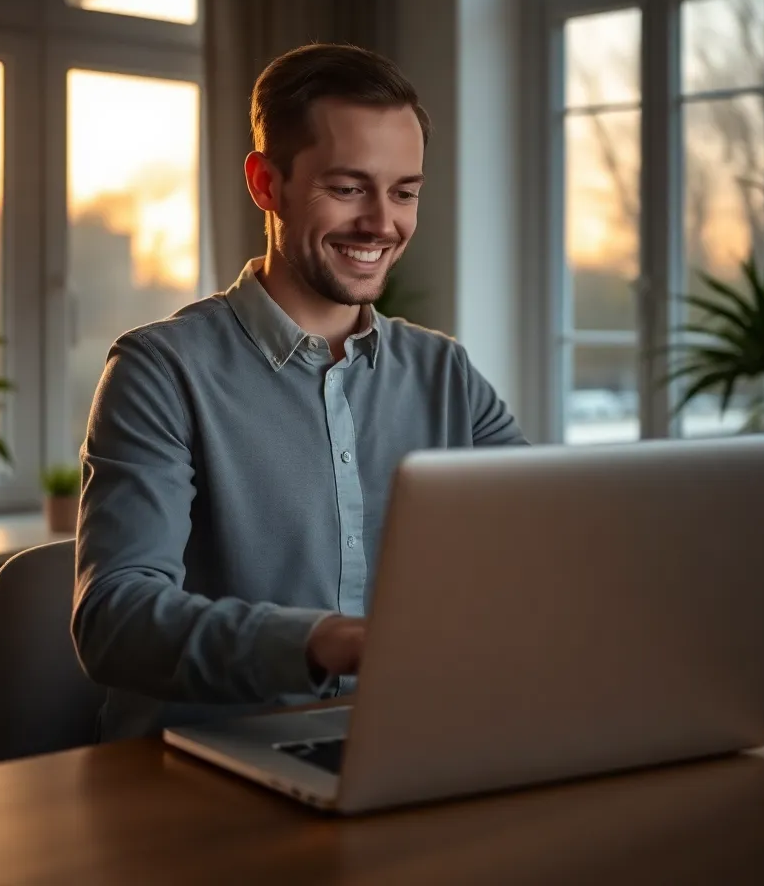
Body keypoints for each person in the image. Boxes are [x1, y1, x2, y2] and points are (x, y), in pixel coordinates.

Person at [73, 43, 528, 741]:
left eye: (405, 191)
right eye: (348, 188)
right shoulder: (159, 372)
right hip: (196, 777)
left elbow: (544, 549)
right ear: (266, 184)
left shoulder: (446, 375)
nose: (382, 223)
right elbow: (117, 618)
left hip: (403, 747)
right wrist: (327, 642)